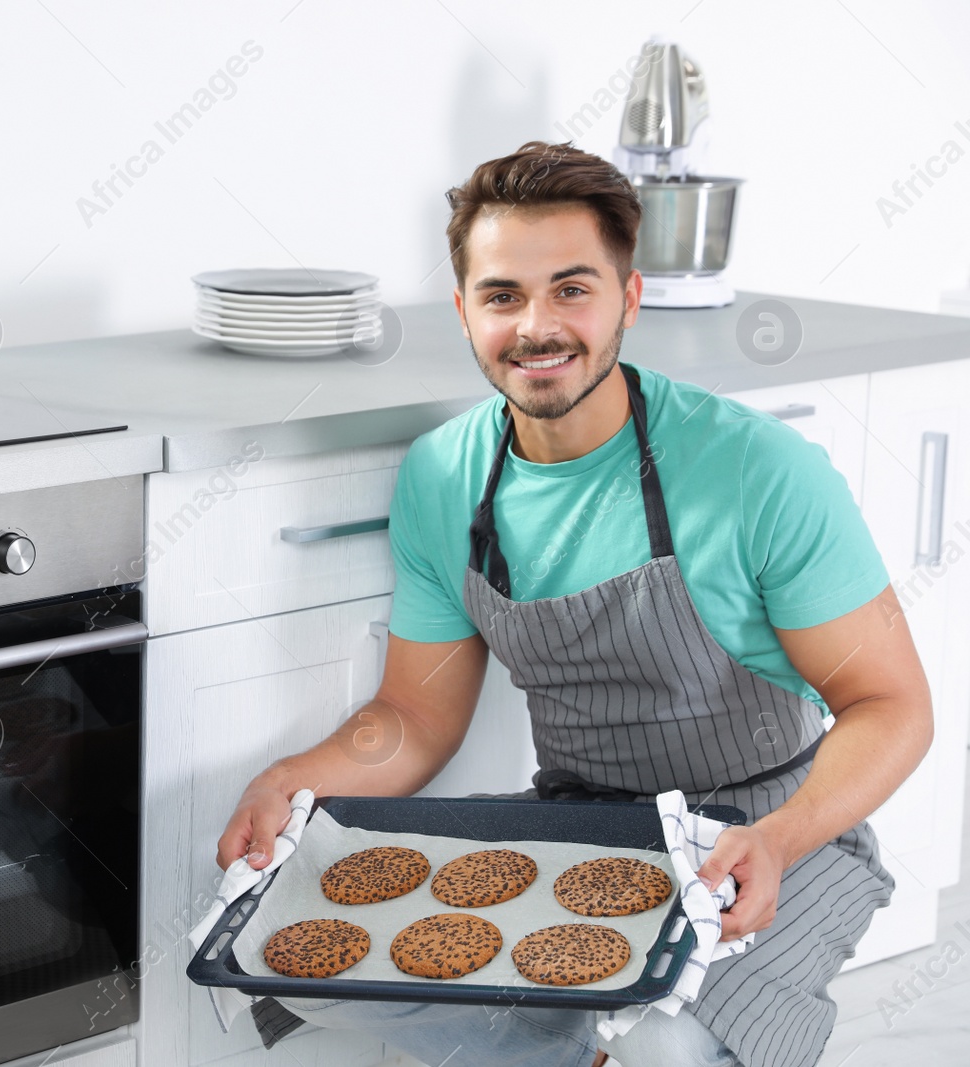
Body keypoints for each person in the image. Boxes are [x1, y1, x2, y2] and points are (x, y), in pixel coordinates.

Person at [215, 141, 934, 1067]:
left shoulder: (755, 469)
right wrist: (297, 781)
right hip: (580, 823)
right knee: (306, 975)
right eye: (503, 295)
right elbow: (414, 716)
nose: (537, 326)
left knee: (664, 1046)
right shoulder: (444, 476)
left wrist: (784, 837)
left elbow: (894, 706)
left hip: (779, 827)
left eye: (572, 289)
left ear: (628, 300)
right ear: (466, 311)